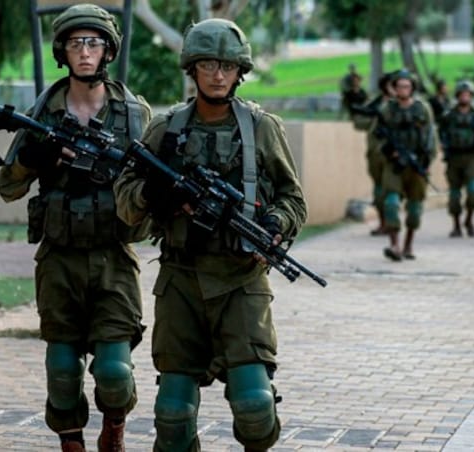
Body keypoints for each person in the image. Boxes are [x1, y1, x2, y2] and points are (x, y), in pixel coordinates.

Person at [113, 18, 307, 451]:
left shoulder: (261, 128)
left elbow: (294, 197)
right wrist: (154, 194)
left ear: (240, 72)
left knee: (255, 406)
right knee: (173, 414)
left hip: (241, 281)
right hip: (181, 279)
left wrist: (275, 226)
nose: (218, 75)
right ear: (192, 69)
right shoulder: (167, 129)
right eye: (207, 65)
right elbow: (126, 200)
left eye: (227, 66)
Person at [0, 4, 152, 451]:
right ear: (62, 51)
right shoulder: (42, 114)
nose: (85, 51)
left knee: (114, 372)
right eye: (76, 42)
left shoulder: (135, 115)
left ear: (108, 51)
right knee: (62, 369)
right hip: (59, 258)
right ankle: (71, 443)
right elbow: (7, 186)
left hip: (113, 259)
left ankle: (114, 427)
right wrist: (33, 159)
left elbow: (154, 185)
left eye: (94, 42)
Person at [375, 69, 437, 261]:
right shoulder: (387, 110)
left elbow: (430, 138)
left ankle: (408, 245)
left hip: (416, 164)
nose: (403, 89)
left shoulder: (422, 109)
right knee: (391, 204)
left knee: (414, 210)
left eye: (407, 86)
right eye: (400, 86)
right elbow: (377, 137)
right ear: (394, 88)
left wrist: (426, 162)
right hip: (394, 166)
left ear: (412, 88)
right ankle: (394, 245)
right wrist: (389, 152)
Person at [438, 80, 474, 237]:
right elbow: (441, 133)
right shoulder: (449, 116)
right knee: (454, 196)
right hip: (454, 158)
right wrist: (442, 145)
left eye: (468, 94)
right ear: (457, 96)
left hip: (471, 158)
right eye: (462, 94)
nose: (465, 97)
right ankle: (456, 225)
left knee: (473, 192)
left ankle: (469, 219)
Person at [351, 71, 395, 235]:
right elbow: (358, 122)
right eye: (391, 85)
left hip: (395, 153)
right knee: (379, 190)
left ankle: (393, 224)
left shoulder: (401, 105)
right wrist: (375, 121)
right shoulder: (374, 104)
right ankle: (384, 223)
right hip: (375, 151)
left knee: (393, 190)